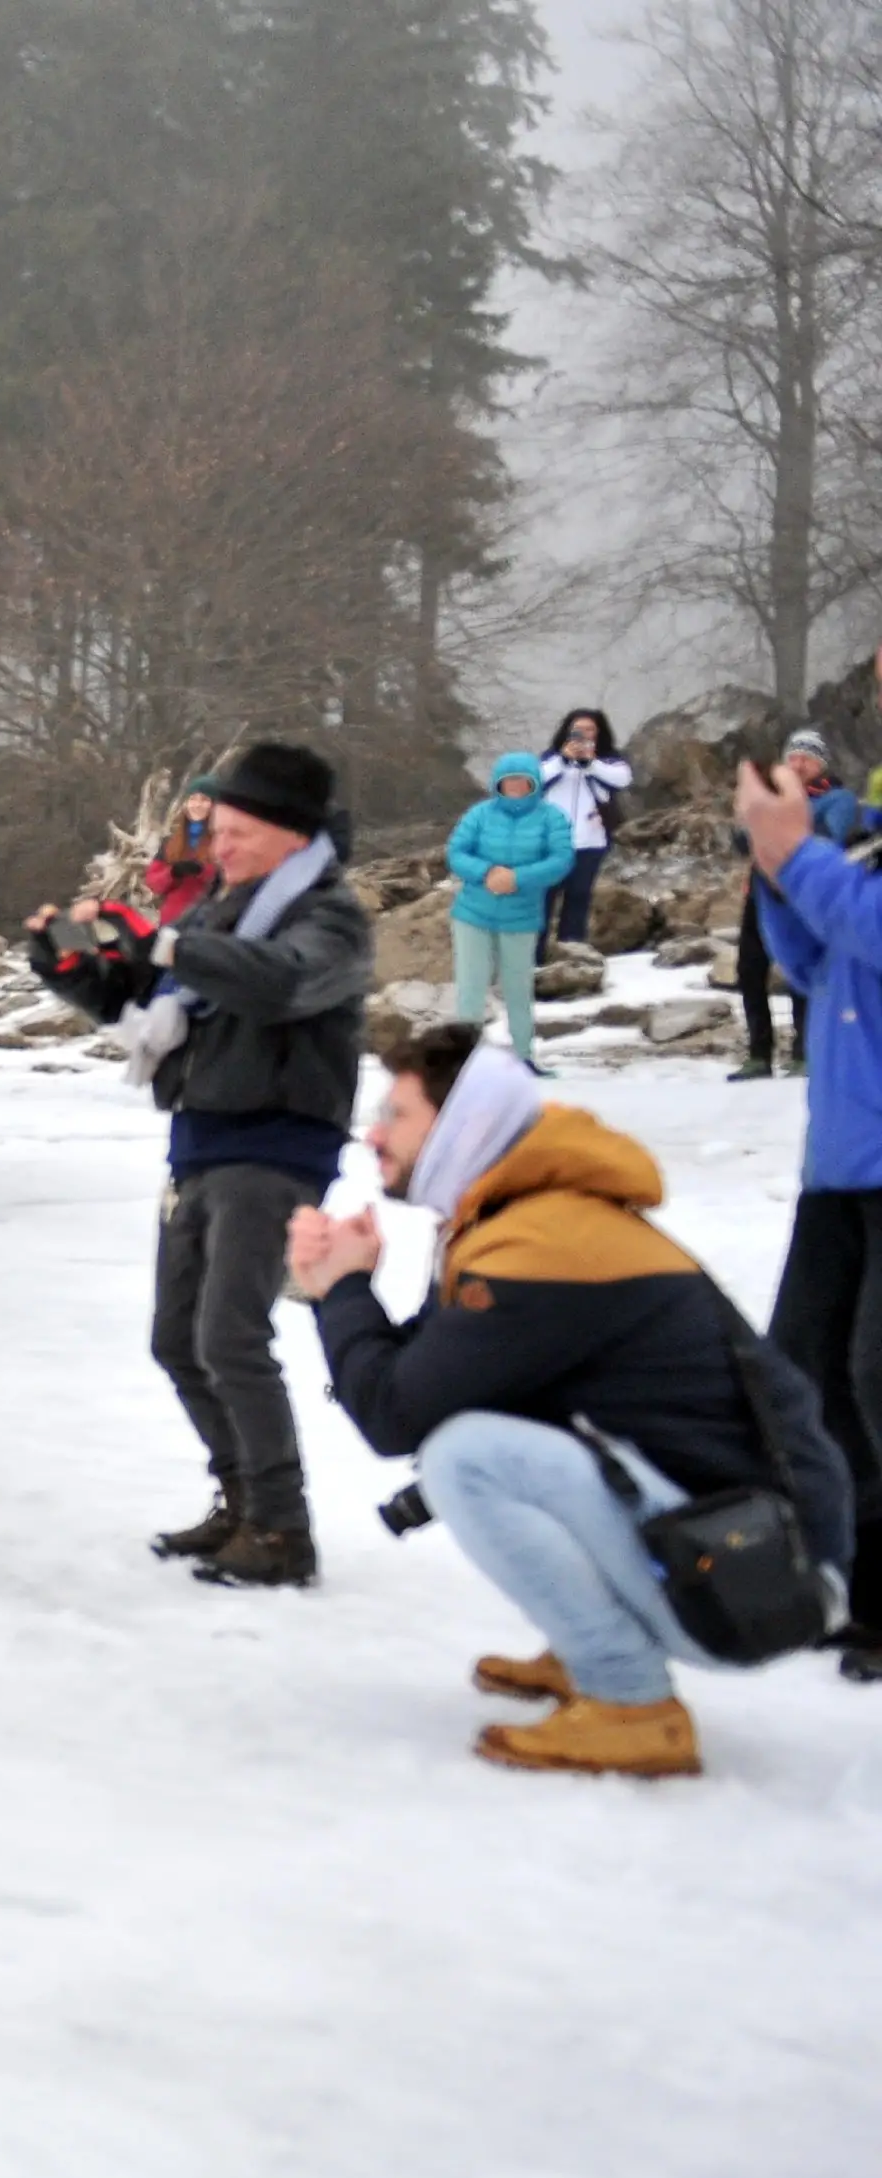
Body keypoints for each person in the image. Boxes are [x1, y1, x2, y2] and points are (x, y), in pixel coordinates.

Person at [294, 1021, 854, 1773]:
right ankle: (588, 1647)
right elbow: (425, 1378)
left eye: (397, 1114)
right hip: (741, 1552)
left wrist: (343, 1288)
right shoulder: (516, 1219)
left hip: (758, 1585)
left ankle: (630, 1699)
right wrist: (347, 1286)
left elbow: (397, 1415)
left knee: (470, 1457)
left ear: (463, 1124)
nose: (373, 1134)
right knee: (485, 1424)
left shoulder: (543, 1248)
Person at [28, 742, 370, 1587]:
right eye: (216, 832)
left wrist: (167, 947)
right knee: (178, 1341)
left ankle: (283, 1530)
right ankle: (242, 1502)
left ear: (292, 835)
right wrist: (74, 966)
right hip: (200, 1141)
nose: (219, 848)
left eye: (238, 833)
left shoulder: (329, 918)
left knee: (230, 1337)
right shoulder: (221, 911)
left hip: (277, 1146)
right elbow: (147, 998)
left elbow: (279, 983)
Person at [741, 718, 882, 1682]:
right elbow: (811, 957)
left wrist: (801, 855)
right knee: (810, 1373)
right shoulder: (860, 840)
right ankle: (861, 1588)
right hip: (840, 1169)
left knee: (880, 1378)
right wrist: (772, 866)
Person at [733, 727, 862, 1080]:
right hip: (763, 891)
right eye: (793, 757)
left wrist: (785, 828)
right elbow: (744, 840)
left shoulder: (836, 798)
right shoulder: (770, 799)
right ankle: (759, 1053)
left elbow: (830, 837)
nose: (799, 764)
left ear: (821, 763)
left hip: (807, 892)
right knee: (750, 969)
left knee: (801, 969)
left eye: (807, 757)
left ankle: (804, 1050)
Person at [445, 753, 573, 1071]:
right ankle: (466, 1059)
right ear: (497, 784)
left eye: (522, 780)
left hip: (522, 916)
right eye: (508, 780)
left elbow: (561, 860)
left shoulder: (552, 818)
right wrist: (486, 872)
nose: (515, 786)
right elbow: (456, 852)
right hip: (473, 913)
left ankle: (524, 1054)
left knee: (518, 988)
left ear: (534, 783)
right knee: (471, 988)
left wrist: (517, 878)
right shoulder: (479, 815)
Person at [536, 707, 631, 952]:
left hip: (590, 841)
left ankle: (573, 954)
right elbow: (533, 779)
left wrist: (591, 764)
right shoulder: (550, 758)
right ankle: (533, 956)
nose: (584, 734)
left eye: (590, 729)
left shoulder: (608, 759)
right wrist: (563, 759)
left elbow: (622, 779)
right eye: (578, 728)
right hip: (551, 844)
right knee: (542, 899)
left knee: (578, 898)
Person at [142, 789, 218, 933]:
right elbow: (153, 882)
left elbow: (228, 879)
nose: (197, 805)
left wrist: (202, 871)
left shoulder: (222, 840)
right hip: (171, 921)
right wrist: (173, 873)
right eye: (192, 799)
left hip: (206, 923)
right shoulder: (172, 842)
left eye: (204, 800)